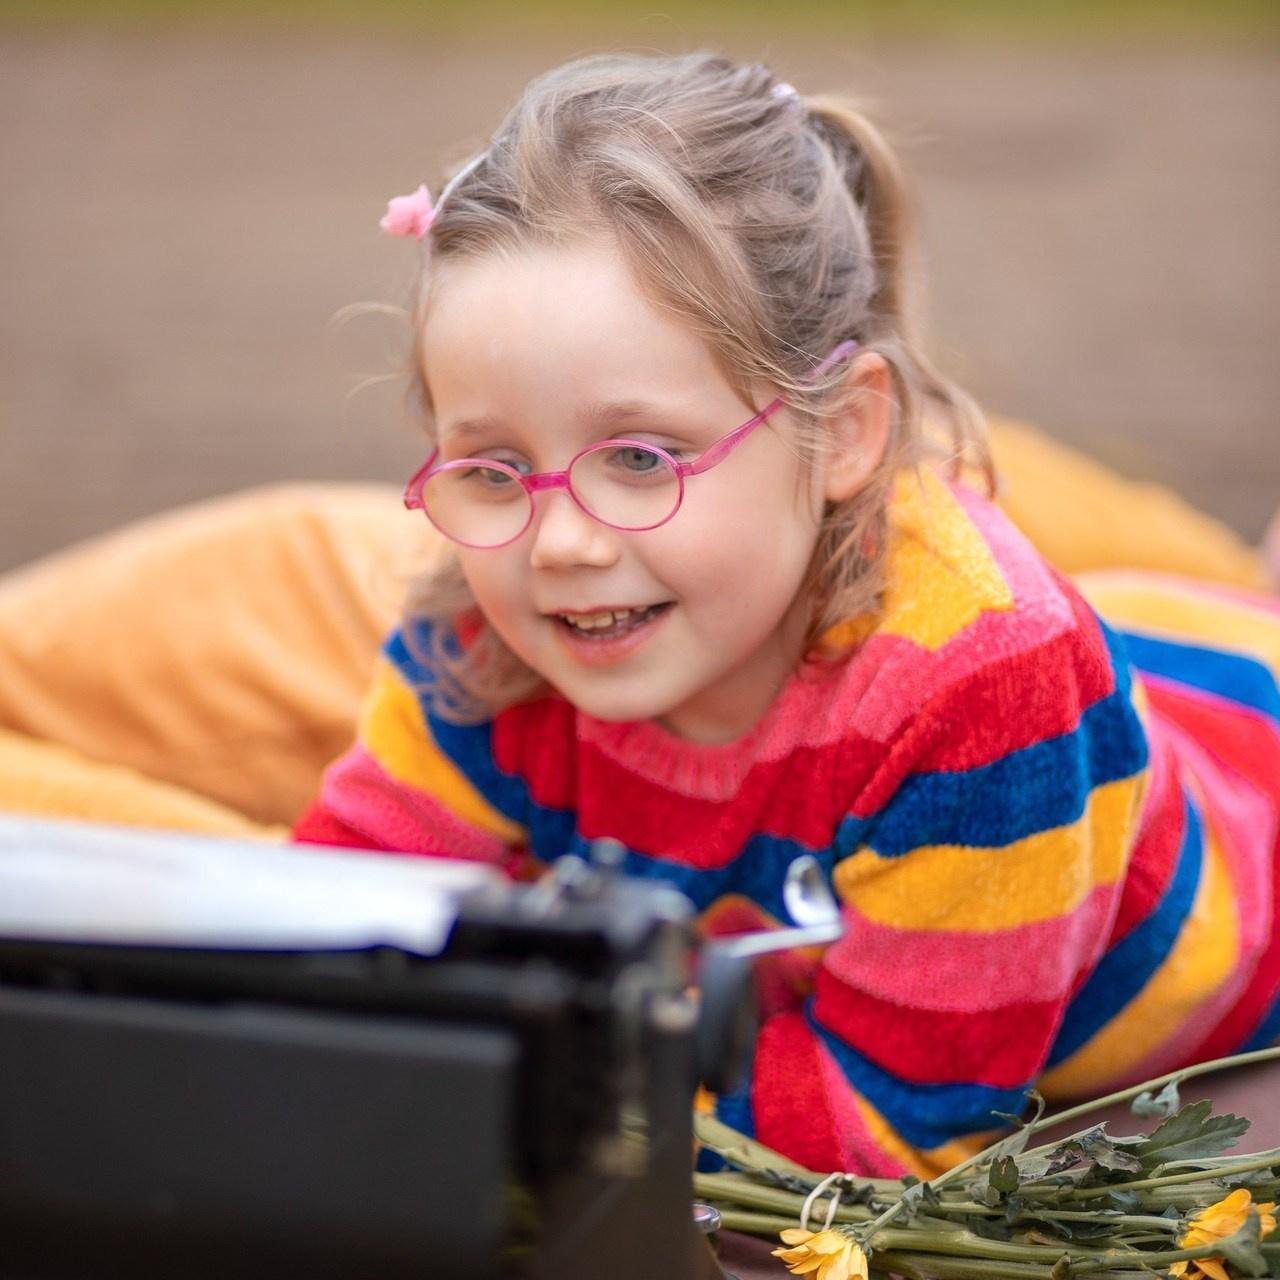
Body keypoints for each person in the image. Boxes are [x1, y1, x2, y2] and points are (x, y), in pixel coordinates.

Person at [281, 51, 1280, 1179]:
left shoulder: (979, 686)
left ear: (842, 431)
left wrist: (506, 1078)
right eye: (494, 465)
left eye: (639, 457)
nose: (559, 539)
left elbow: (885, 1126)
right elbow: (338, 916)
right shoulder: (480, 616)